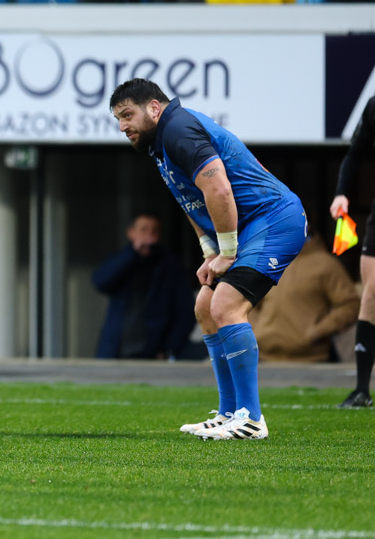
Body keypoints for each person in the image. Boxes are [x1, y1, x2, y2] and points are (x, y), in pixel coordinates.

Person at [111, 78, 307, 440]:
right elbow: (192, 200)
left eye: (127, 115)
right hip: (247, 227)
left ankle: (251, 419)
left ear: (155, 107)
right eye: (118, 119)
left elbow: (218, 188)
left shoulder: (179, 130)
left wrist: (229, 251)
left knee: (226, 304)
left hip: (275, 219)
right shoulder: (161, 143)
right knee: (205, 305)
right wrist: (211, 252)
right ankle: (229, 412)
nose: (122, 126)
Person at [92, 213, 195, 359]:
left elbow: (185, 311)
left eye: (154, 231)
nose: (149, 235)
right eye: (143, 230)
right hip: (116, 346)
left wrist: (170, 347)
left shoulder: (170, 265)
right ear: (131, 233)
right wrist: (132, 254)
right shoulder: (123, 259)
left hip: (153, 349)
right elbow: (100, 282)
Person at [249, 231, 360, 361]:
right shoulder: (269, 261)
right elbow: (249, 302)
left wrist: (317, 332)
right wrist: (256, 330)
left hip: (311, 360)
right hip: (264, 358)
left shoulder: (325, 264)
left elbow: (350, 305)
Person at [329, 94, 375, 408]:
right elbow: (354, 155)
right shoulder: (373, 106)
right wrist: (341, 193)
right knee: (370, 295)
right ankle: (361, 390)